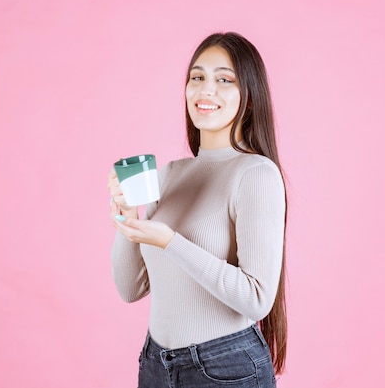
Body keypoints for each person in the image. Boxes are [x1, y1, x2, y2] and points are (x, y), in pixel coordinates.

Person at [107, 32, 287, 388]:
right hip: (155, 363)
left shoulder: (256, 174)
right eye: (197, 77)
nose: (206, 90)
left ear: (248, 99)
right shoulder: (171, 174)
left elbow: (257, 298)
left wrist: (171, 241)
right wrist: (127, 219)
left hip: (226, 369)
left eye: (224, 79)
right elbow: (130, 289)